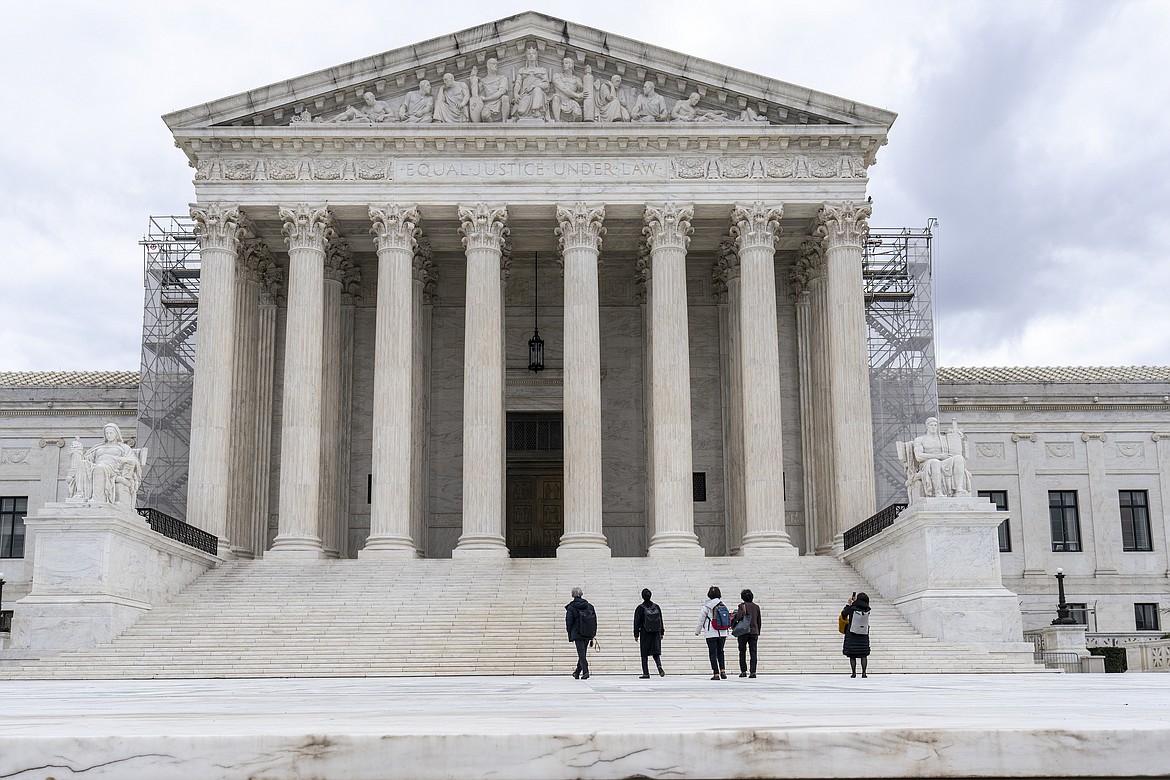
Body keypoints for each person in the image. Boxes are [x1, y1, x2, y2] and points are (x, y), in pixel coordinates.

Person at [911, 417, 972, 497]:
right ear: (926, 427)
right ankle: (938, 492)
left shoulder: (943, 439)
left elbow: (954, 450)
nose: (933, 427)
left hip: (944, 461)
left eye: (935, 425)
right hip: (927, 464)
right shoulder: (920, 439)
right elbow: (919, 456)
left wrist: (957, 438)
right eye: (931, 425)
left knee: (959, 458)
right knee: (935, 462)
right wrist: (939, 456)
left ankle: (959, 489)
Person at [694, 585, 729, 680]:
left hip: (711, 632)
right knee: (720, 652)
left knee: (712, 653)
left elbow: (701, 620)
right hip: (722, 632)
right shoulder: (723, 604)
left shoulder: (706, 606)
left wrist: (697, 631)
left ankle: (716, 673)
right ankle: (723, 671)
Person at [632, 588, 665, 678]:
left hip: (645, 632)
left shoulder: (640, 608)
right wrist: (662, 632)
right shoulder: (656, 607)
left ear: (642, 597)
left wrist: (636, 634)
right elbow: (661, 620)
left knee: (644, 654)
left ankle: (646, 673)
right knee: (656, 652)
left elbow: (636, 622)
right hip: (656, 632)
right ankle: (659, 666)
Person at [565, 586, 595, 679]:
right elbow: (594, 620)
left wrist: (569, 632)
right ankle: (577, 672)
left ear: (573, 595)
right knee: (582, 653)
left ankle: (586, 672)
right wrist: (593, 632)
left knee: (581, 653)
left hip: (577, 633)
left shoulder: (571, 607)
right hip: (587, 632)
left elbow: (569, 621)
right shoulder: (589, 606)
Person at [512, 45, 550, 120]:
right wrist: (515, 93)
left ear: (536, 56)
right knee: (521, 111)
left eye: (534, 53)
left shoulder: (542, 70)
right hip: (525, 95)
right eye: (529, 53)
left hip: (538, 95)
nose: (531, 55)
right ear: (526, 56)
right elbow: (518, 83)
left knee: (537, 89)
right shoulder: (522, 70)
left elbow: (546, 85)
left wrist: (536, 85)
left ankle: (536, 110)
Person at [841, 592, 872, 678]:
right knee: (864, 654)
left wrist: (849, 605)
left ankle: (854, 673)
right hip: (863, 633)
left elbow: (844, 615)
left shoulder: (852, 608)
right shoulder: (868, 609)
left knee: (852, 654)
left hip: (852, 633)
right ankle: (864, 673)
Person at [469, 58, 510, 123]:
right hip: (488, 105)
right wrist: (473, 79)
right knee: (484, 115)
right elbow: (475, 95)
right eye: (493, 64)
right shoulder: (483, 81)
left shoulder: (502, 78)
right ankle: (493, 130)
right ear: (488, 66)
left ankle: (504, 123)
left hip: (499, 103)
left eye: (496, 64)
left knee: (505, 98)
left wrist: (486, 99)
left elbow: (501, 92)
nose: (496, 65)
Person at [733, 589, 762, 678]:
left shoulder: (742, 606)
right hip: (754, 632)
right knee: (753, 652)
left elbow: (738, 617)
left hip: (744, 631)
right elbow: (759, 620)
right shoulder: (756, 607)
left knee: (742, 651)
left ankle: (743, 671)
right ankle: (753, 672)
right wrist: (758, 631)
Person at [551, 57, 584, 121]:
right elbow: (563, 89)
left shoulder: (577, 79)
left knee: (578, 114)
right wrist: (578, 95)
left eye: (566, 63)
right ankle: (557, 122)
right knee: (555, 97)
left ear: (571, 65)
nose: (564, 65)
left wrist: (582, 91)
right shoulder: (557, 76)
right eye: (563, 63)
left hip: (571, 102)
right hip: (559, 101)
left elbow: (582, 96)